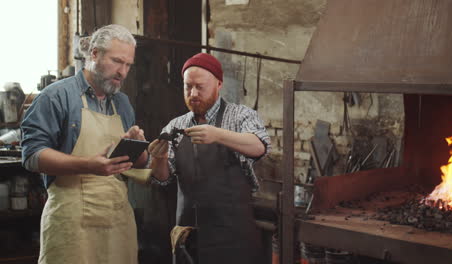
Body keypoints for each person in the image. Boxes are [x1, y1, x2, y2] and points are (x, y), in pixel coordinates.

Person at [21, 24, 148, 264]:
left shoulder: (122, 103)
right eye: (117, 61)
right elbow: (32, 156)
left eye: (128, 64)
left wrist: (137, 146)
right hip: (71, 221)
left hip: (117, 218)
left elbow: (137, 165)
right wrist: (88, 165)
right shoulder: (56, 96)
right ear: (94, 54)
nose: (122, 71)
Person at [148, 53, 271, 264]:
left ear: (219, 84)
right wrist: (158, 159)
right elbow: (162, 178)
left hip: (232, 238)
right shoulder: (175, 125)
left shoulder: (241, 115)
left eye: (200, 86)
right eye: (188, 87)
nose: (193, 93)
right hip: (187, 237)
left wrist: (218, 134)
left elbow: (259, 146)